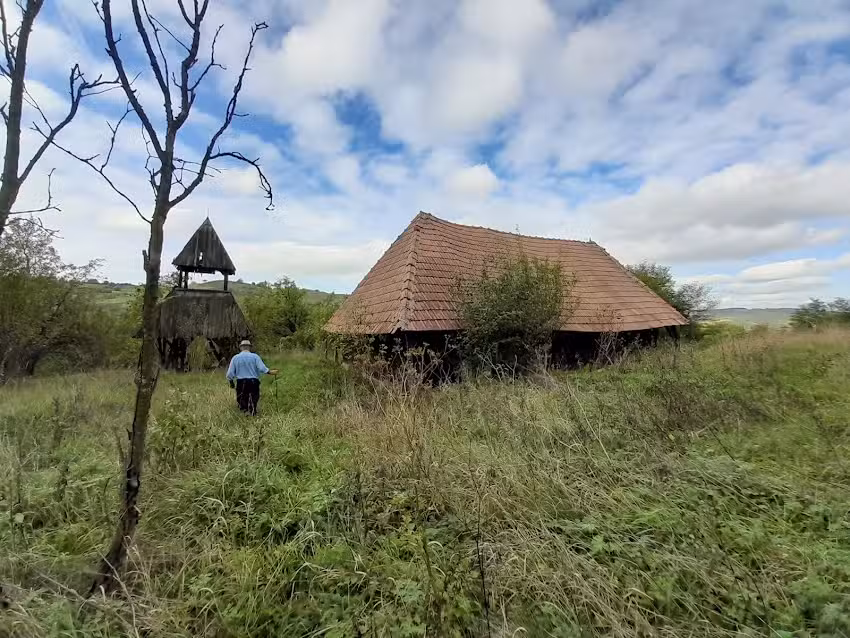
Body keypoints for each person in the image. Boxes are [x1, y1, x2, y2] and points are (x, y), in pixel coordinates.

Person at [226, 340, 278, 415]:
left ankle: (245, 414)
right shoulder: (255, 356)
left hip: (241, 382)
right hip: (253, 381)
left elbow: (230, 373)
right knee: (254, 398)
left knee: (242, 399)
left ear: (241, 347)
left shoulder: (235, 358)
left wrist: (231, 382)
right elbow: (262, 368)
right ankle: (252, 412)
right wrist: (270, 372)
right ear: (249, 347)